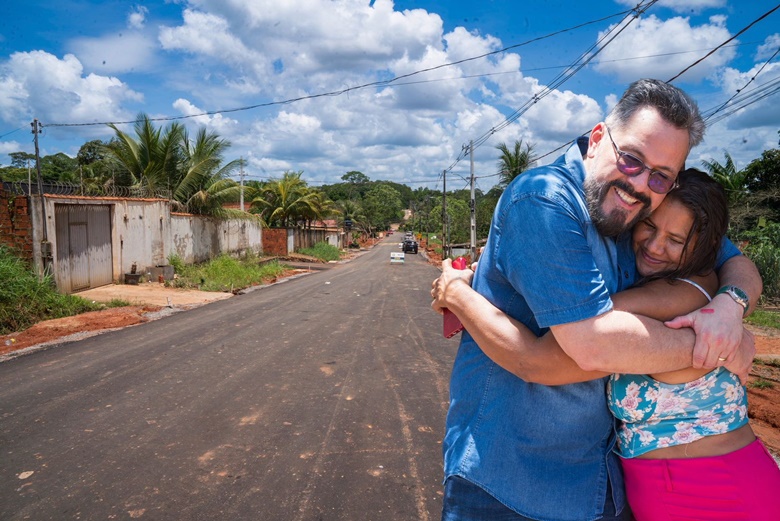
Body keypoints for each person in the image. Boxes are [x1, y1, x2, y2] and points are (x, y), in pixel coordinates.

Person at [430, 79, 762, 521]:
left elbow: (734, 262)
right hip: (511, 480)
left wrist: (730, 305)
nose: (640, 183)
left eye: (660, 175)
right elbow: (590, 346)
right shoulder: (545, 199)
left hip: (604, 481)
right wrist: (714, 347)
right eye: (632, 159)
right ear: (599, 137)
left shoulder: (649, 210)